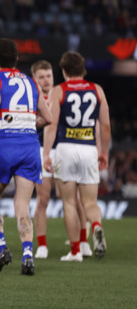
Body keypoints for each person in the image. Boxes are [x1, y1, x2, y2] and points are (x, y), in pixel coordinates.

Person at [0, 38, 51, 276]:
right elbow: (47, 117)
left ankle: (2, 248)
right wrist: (28, 125)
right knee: (23, 206)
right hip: (29, 146)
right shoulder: (31, 82)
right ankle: (28, 255)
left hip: (3, 144)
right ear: (17, 59)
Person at [43, 51, 110, 261]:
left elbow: (51, 125)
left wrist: (46, 153)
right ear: (83, 69)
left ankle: (74, 251)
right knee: (89, 202)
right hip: (89, 149)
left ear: (63, 71)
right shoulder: (96, 89)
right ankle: (96, 226)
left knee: (70, 203)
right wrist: (104, 151)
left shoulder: (58, 91)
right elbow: (106, 125)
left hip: (66, 149)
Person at [31, 60, 55, 259]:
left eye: (49, 76)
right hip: (40, 151)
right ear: (35, 80)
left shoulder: (61, 95)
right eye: (42, 77)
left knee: (74, 201)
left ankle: (81, 243)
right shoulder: (32, 98)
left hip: (62, 150)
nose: (46, 80)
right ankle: (42, 245)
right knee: (43, 199)